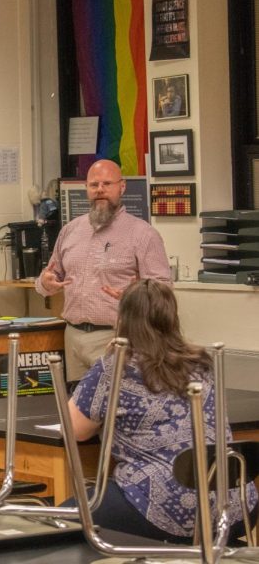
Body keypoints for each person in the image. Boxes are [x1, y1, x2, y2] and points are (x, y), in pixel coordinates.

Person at [67, 279, 258, 542]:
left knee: (60, 522)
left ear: (122, 319)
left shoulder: (115, 367)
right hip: (236, 507)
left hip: (166, 508)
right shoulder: (201, 364)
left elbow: (75, 429)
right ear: (172, 318)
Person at [35, 159, 171, 381]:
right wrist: (45, 284)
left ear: (122, 187)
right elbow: (49, 277)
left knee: (114, 410)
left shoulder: (143, 234)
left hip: (117, 338)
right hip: (73, 338)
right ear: (86, 189)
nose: (100, 190)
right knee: (76, 411)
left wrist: (134, 296)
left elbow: (163, 291)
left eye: (107, 184)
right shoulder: (70, 231)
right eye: (94, 185)